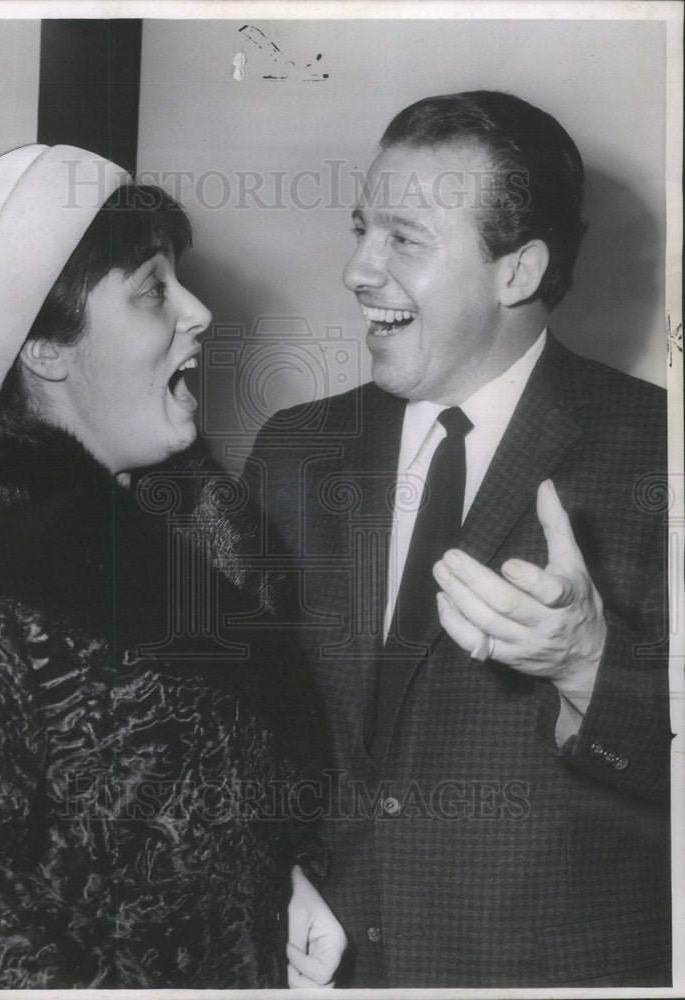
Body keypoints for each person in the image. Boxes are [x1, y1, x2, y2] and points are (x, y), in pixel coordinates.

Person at [247, 91, 670, 987]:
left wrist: (590, 663)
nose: (358, 270)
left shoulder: (658, 452)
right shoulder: (294, 451)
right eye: (362, 229)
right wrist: (266, 872)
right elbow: (240, 721)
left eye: (402, 238)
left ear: (517, 273)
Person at [0, 144, 345, 989]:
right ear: (47, 350)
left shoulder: (221, 535)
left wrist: (281, 883)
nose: (201, 311)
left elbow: (252, 792)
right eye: (153, 290)